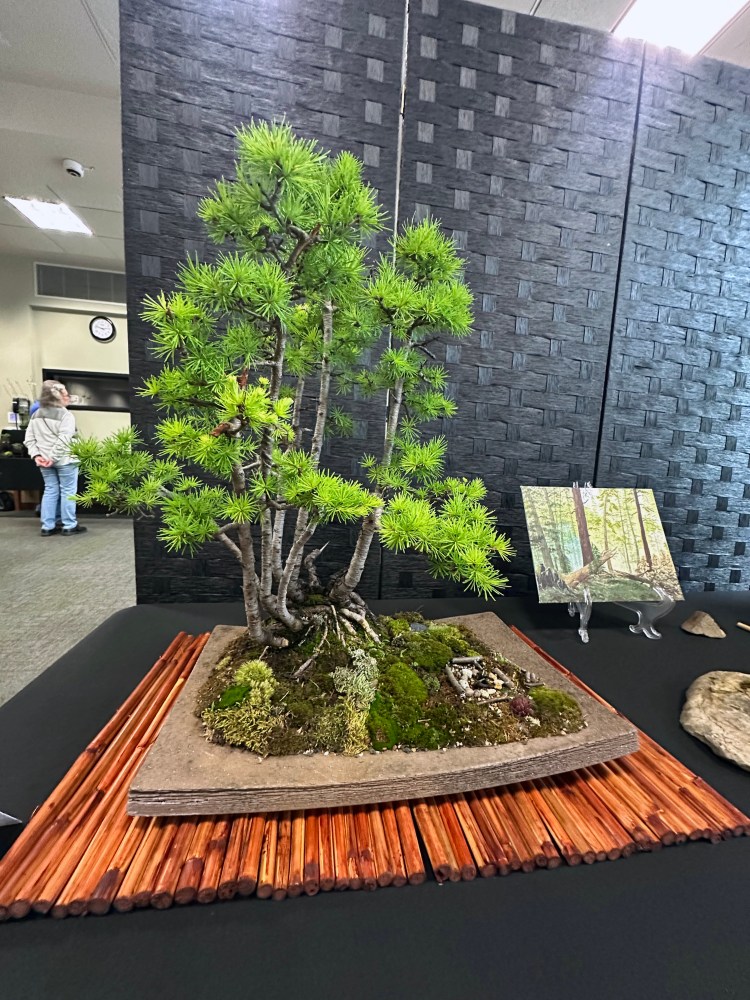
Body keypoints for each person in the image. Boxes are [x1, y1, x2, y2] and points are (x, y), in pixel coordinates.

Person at [23, 380, 87, 537]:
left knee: (50, 490)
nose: (68, 396)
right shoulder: (66, 415)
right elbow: (64, 439)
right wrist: (53, 457)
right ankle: (69, 525)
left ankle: (48, 526)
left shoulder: (36, 414)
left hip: (43, 460)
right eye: (65, 393)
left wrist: (37, 456)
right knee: (68, 491)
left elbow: (29, 439)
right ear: (57, 396)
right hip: (65, 460)